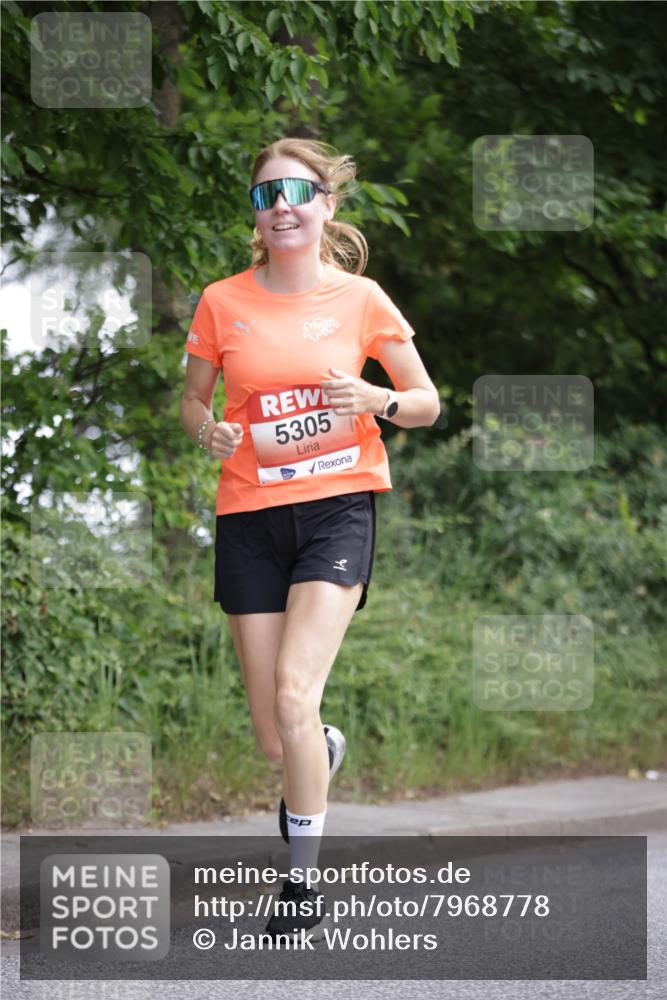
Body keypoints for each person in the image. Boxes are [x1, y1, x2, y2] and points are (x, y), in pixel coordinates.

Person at [180, 137, 439, 940]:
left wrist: (373, 397)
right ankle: (318, 748)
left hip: (337, 510)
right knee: (276, 733)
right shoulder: (222, 300)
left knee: (294, 693)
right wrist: (209, 432)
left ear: (326, 205)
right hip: (248, 517)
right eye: (265, 196)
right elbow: (192, 402)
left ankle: (299, 888)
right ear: (256, 218)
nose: (281, 206)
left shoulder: (361, 298)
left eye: (295, 191)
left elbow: (426, 401)